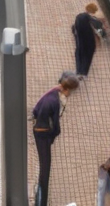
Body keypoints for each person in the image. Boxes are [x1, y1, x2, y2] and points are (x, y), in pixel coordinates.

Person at [31, 72, 80, 206]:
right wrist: (53, 135)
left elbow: (35, 111)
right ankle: (41, 202)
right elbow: (56, 127)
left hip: (41, 134)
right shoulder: (54, 101)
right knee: (44, 172)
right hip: (43, 137)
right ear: (67, 89)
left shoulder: (52, 92)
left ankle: (40, 199)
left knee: (43, 169)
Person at [72, 3, 107, 78]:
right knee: (87, 57)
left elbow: (74, 28)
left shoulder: (79, 17)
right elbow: (101, 32)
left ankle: (78, 71)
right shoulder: (95, 21)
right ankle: (83, 73)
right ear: (94, 11)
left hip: (80, 41)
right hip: (90, 42)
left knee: (79, 54)